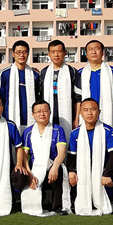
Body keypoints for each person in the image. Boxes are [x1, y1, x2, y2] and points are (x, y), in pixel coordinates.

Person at [38, 39, 78, 211]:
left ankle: (69, 192)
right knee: (46, 150)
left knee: (66, 150)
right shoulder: (43, 73)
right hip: (48, 117)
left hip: (67, 118)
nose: (56, 54)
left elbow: (77, 98)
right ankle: (46, 194)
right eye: (53, 52)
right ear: (48, 54)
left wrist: (76, 118)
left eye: (59, 51)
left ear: (64, 53)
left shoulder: (72, 72)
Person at [67, 98, 113, 216]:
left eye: (93, 109)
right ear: (80, 113)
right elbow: (71, 156)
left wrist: (106, 174)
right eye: (85, 110)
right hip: (83, 171)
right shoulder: (75, 133)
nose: (89, 113)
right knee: (71, 176)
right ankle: (79, 201)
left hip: (103, 170)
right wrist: (71, 171)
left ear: (99, 112)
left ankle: (110, 200)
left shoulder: (107, 130)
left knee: (111, 177)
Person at [18, 100, 68, 216]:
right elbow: (24, 155)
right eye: (38, 111)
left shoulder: (57, 130)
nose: (42, 114)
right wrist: (29, 174)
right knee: (18, 176)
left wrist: (55, 167)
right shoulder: (28, 132)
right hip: (34, 168)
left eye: (45, 111)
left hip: (52, 166)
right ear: (33, 114)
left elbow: (61, 152)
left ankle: (57, 206)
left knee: (59, 170)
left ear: (50, 113)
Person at [75, 40, 113, 132]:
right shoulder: (80, 73)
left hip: (107, 116)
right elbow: (78, 99)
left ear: (102, 53)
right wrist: (77, 118)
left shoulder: (112, 71)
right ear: (86, 54)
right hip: (87, 116)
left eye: (97, 49)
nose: (94, 52)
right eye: (90, 49)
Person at [0, 40, 41, 133]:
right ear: (13, 54)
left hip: (30, 119)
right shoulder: (5, 73)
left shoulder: (34, 75)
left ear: (28, 54)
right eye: (18, 52)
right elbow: (0, 98)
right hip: (10, 117)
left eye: (24, 52)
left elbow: (38, 98)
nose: (21, 55)